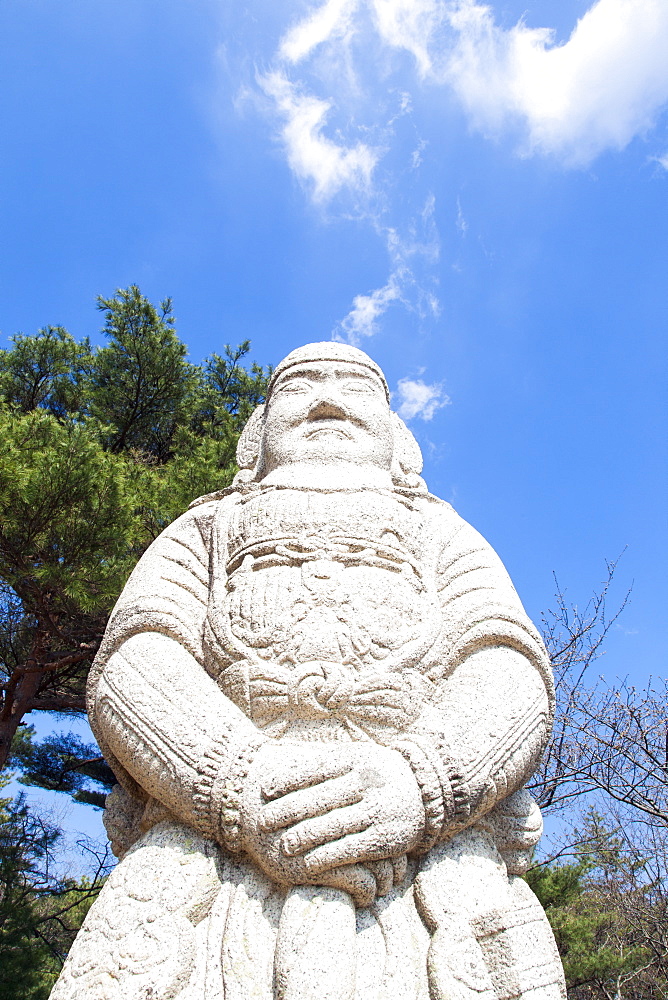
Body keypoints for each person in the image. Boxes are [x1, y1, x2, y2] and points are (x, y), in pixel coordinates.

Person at [51, 342, 565, 1000]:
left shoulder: (442, 532)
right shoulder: (207, 528)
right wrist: (238, 782)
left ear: (397, 436)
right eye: (299, 387)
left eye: (355, 388)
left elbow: (508, 666)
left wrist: (421, 784)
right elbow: (135, 656)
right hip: (212, 855)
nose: (326, 398)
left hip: (426, 863)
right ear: (256, 435)